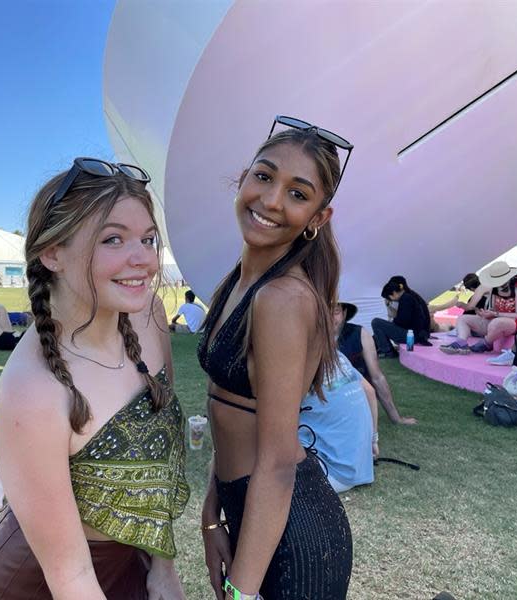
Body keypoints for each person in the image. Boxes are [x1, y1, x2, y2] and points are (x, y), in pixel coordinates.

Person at [0, 157, 189, 600]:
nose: (144, 260)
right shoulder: (33, 390)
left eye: (148, 239)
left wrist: (163, 569)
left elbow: (161, 456)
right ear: (52, 252)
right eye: (113, 239)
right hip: (35, 585)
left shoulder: (148, 315)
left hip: (128, 569)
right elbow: (70, 576)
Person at [198, 116, 353, 600]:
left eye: (298, 193)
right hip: (250, 509)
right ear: (244, 176)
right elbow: (225, 412)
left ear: (318, 218)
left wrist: (241, 593)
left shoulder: (283, 298)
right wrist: (211, 515)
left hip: (293, 533)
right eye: (264, 176)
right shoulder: (237, 281)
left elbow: (279, 460)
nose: (270, 200)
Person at [298, 350, 378, 493]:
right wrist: (373, 440)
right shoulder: (337, 355)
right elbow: (370, 392)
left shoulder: (299, 361)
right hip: (359, 468)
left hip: (327, 471)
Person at [335, 301, 417, 425]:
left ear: (344, 313)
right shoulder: (311, 335)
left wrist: (396, 418)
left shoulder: (359, 334)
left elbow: (377, 377)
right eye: (324, 311)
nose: (329, 317)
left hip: (353, 397)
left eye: (335, 312)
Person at [440, 261, 517, 357]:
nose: (499, 284)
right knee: (463, 319)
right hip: (496, 321)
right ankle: (461, 343)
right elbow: (493, 308)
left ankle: (487, 343)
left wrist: (495, 314)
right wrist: (486, 313)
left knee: (496, 323)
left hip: (515, 323)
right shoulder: (493, 288)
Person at [371, 277, 432, 358]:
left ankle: (388, 352)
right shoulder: (410, 296)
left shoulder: (406, 298)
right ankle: (381, 348)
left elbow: (402, 322)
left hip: (414, 336)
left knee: (376, 322)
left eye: (389, 297)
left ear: (394, 293)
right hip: (419, 334)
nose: (390, 300)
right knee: (383, 325)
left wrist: (391, 323)